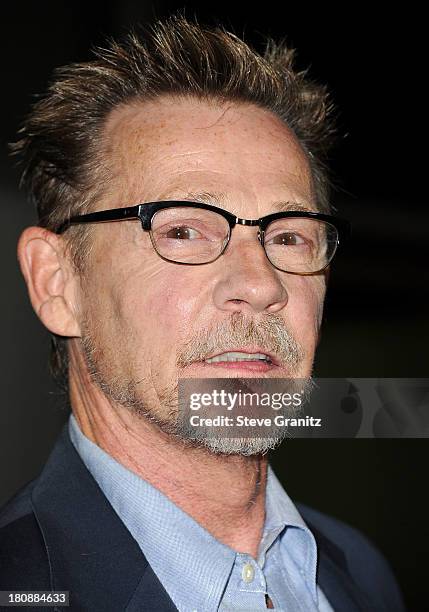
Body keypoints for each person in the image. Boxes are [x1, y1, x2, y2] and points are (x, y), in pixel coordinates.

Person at [0, 14, 405, 611]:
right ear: (58, 283)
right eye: (184, 229)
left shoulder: (362, 575)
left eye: (290, 237)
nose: (260, 283)